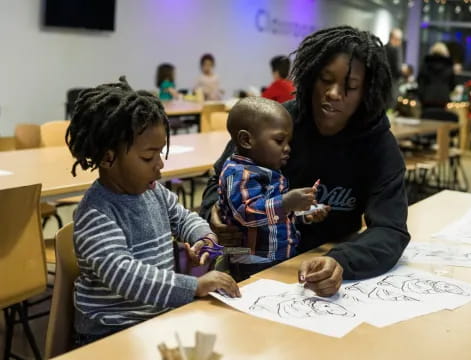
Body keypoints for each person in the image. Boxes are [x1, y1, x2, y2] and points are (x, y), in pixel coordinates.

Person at [200, 26, 410, 297]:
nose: (334, 93)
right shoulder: (274, 123)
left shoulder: (378, 143)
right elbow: (217, 180)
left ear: (367, 92)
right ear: (311, 77)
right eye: (325, 79)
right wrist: (211, 214)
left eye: (351, 86)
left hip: (323, 266)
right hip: (252, 264)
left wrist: (341, 261)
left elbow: (390, 229)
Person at [66, 76, 240, 346]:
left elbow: (184, 217)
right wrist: (194, 286)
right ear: (108, 157)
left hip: (154, 320)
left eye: (160, 153)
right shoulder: (95, 214)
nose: (159, 164)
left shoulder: (153, 191)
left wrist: (204, 238)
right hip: (109, 333)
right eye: (148, 157)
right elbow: (125, 275)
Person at [218, 97, 329, 280]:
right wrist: (286, 203)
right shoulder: (239, 174)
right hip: (251, 261)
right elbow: (246, 214)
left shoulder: (268, 171)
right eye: (279, 141)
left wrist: (302, 213)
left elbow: (272, 217)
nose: (287, 149)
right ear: (246, 140)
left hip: (276, 257)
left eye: (288, 142)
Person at [417, 42, 455, 113]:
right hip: (443, 99)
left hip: (427, 98)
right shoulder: (449, 66)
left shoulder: (426, 64)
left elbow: (420, 81)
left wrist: (421, 96)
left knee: (426, 120)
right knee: (441, 120)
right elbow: (452, 84)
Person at [384, 28, 403, 105]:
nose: (400, 42)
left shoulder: (383, 48)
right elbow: (398, 69)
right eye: (399, 39)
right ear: (394, 38)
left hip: (383, 82)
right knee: (391, 105)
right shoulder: (396, 50)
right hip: (393, 83)